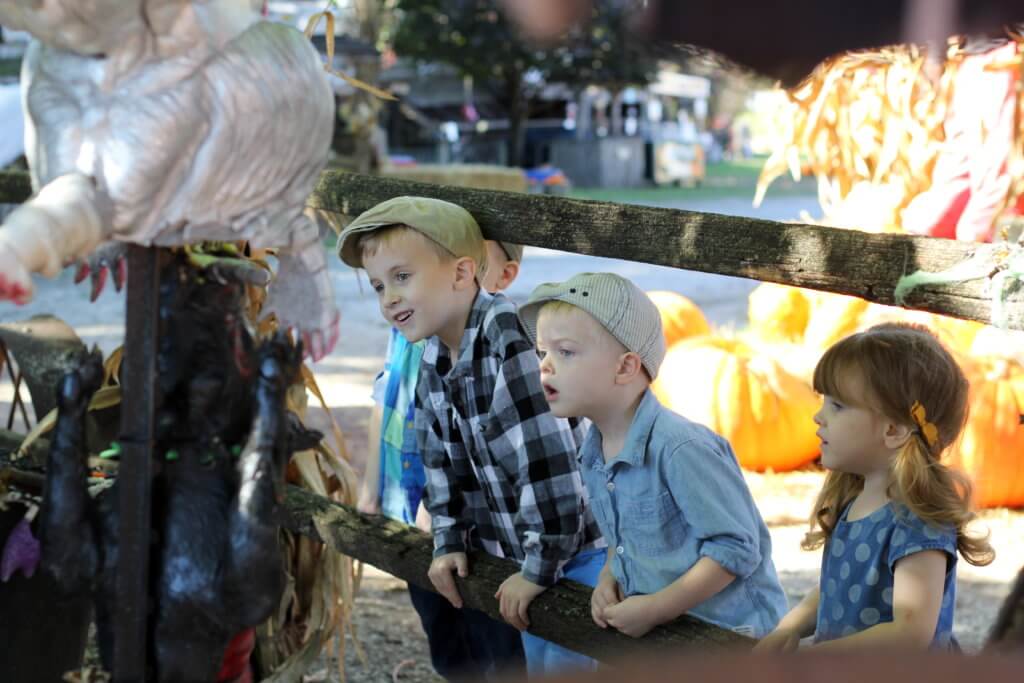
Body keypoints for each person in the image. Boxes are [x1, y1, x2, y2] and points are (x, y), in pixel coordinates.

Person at [338, 197, 605, 677]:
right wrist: (447, 539)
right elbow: (440, 466)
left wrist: (537, 570)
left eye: (402, 277)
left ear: (462, 275)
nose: (388, 298)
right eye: (379, 285)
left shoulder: (511, 342)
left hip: (580, 556)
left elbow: (549, 471)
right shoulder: (432, 356)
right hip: (525, 552)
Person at [518, 272, 788, 639]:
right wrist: (609, 576)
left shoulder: (680, 448)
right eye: (542, 352)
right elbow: (622, 537)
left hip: (731, 637)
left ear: (625, 367)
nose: (545, 365)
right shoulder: (593, 451)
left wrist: (658, 608)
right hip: (667, 636)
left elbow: (735, 549)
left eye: (565, 351)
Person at [354, 218, 525, 681]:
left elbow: (499, 454)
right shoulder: (410, 335)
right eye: (380, 285)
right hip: (411, 510)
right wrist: (372, 487)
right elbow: (384, 405)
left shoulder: (498, 346)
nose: (391, 295)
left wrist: (443, 510)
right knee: (442, 631)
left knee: (490, 632)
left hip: (470, 529)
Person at [756, 323, 995, 652]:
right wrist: (790, 627)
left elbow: (910, 632)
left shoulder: (917, 522)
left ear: (893, 430)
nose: (818, 416)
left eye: (837, 406)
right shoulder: (854, 496)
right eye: (823, 401)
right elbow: (836, 588)